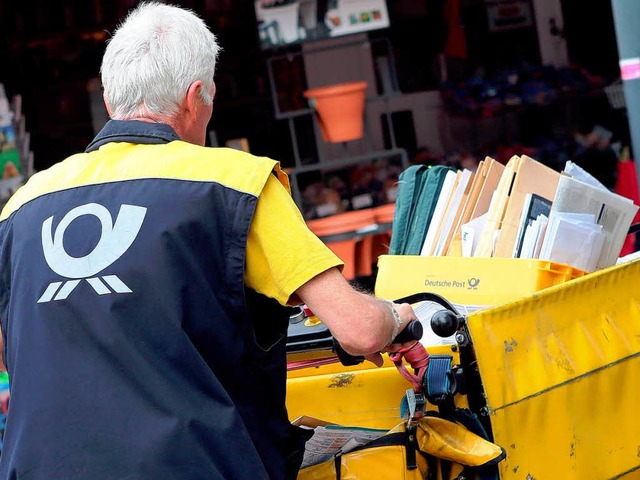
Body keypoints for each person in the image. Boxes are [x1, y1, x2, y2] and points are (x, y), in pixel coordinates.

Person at [0, 3, 417, 480]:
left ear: (112, 103)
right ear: (195, 96)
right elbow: (360, 331)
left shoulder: (22, 206)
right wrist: (399, 317)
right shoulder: (232, 184)